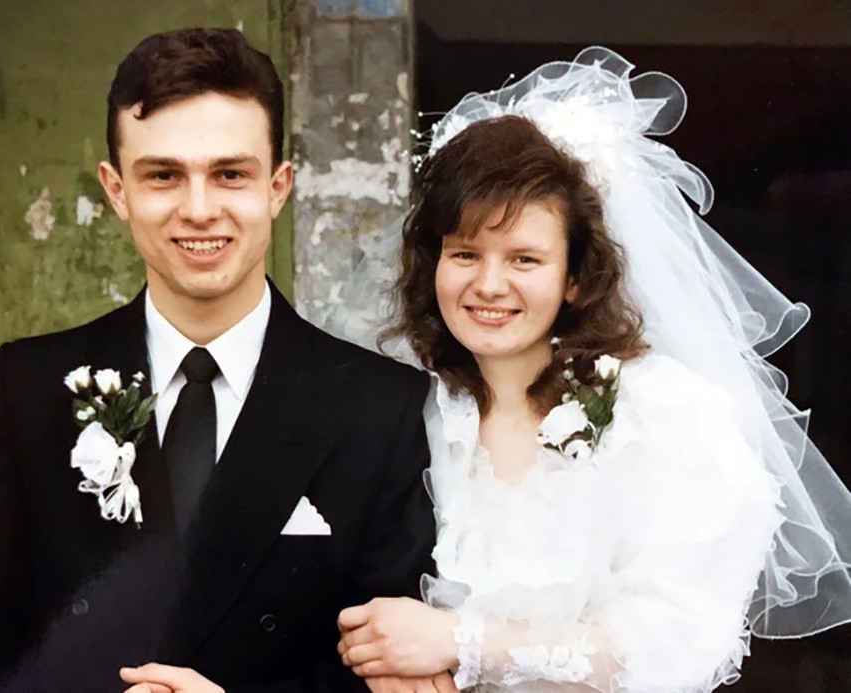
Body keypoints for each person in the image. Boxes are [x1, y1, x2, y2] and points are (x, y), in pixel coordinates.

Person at [331, 48, 851, 691]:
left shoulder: (667, 415)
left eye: (524, 259)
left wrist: (461, 642)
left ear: (576, 278)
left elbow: (674, 639)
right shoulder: (410, 409)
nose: (488, 284)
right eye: (465, 254)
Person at [0, 28, 440, 693]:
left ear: (278, 186)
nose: (200, 209)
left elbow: (392, 681)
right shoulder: (35, 385)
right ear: (116, 189)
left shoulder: (382, 407)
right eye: (163, 175)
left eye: (230, 174)